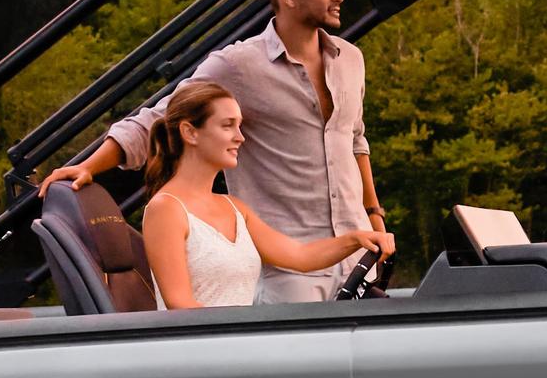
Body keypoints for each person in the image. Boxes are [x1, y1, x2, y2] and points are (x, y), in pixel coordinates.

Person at [45, 0, 386, 301]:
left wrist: (374, 216)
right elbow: (163, 116)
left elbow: (355, 141)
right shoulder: (238, 66)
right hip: (289, 271)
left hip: (360, 260)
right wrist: (91, 167)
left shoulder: (351, 60)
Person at [135, 83, 390, 309]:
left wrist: (356, 239)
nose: (240, 137)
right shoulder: (166, 209)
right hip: (202, 352)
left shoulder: (234, 207)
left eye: (240, 126)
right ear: (190, 132)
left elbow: (300, 257)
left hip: (244, 346)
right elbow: (180, 304)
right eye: (227, 126)